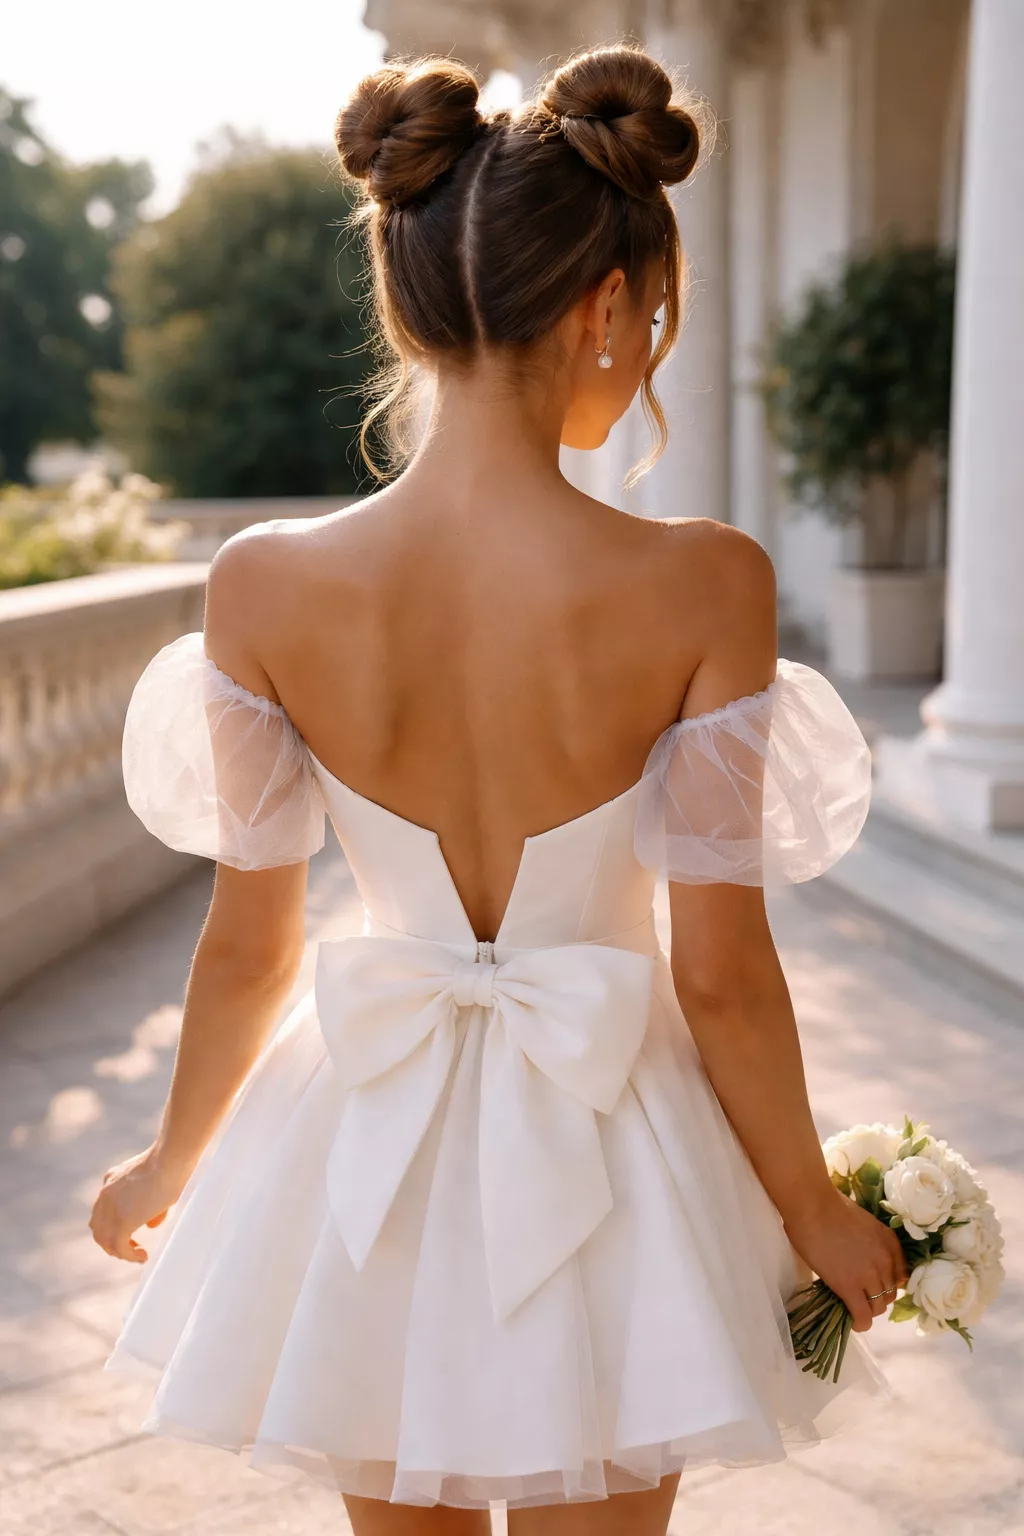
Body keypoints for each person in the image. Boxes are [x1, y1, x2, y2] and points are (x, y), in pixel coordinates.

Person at [91, 44, 906, 1536]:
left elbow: (251, 948)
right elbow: (720, 976)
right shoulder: (706, 582)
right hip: (619, 1135)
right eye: (651, 319)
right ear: (605, 305)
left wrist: (173, 1159)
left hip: (363, 1145)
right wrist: (810, 1207)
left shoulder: (262, 584)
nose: (646, 351)